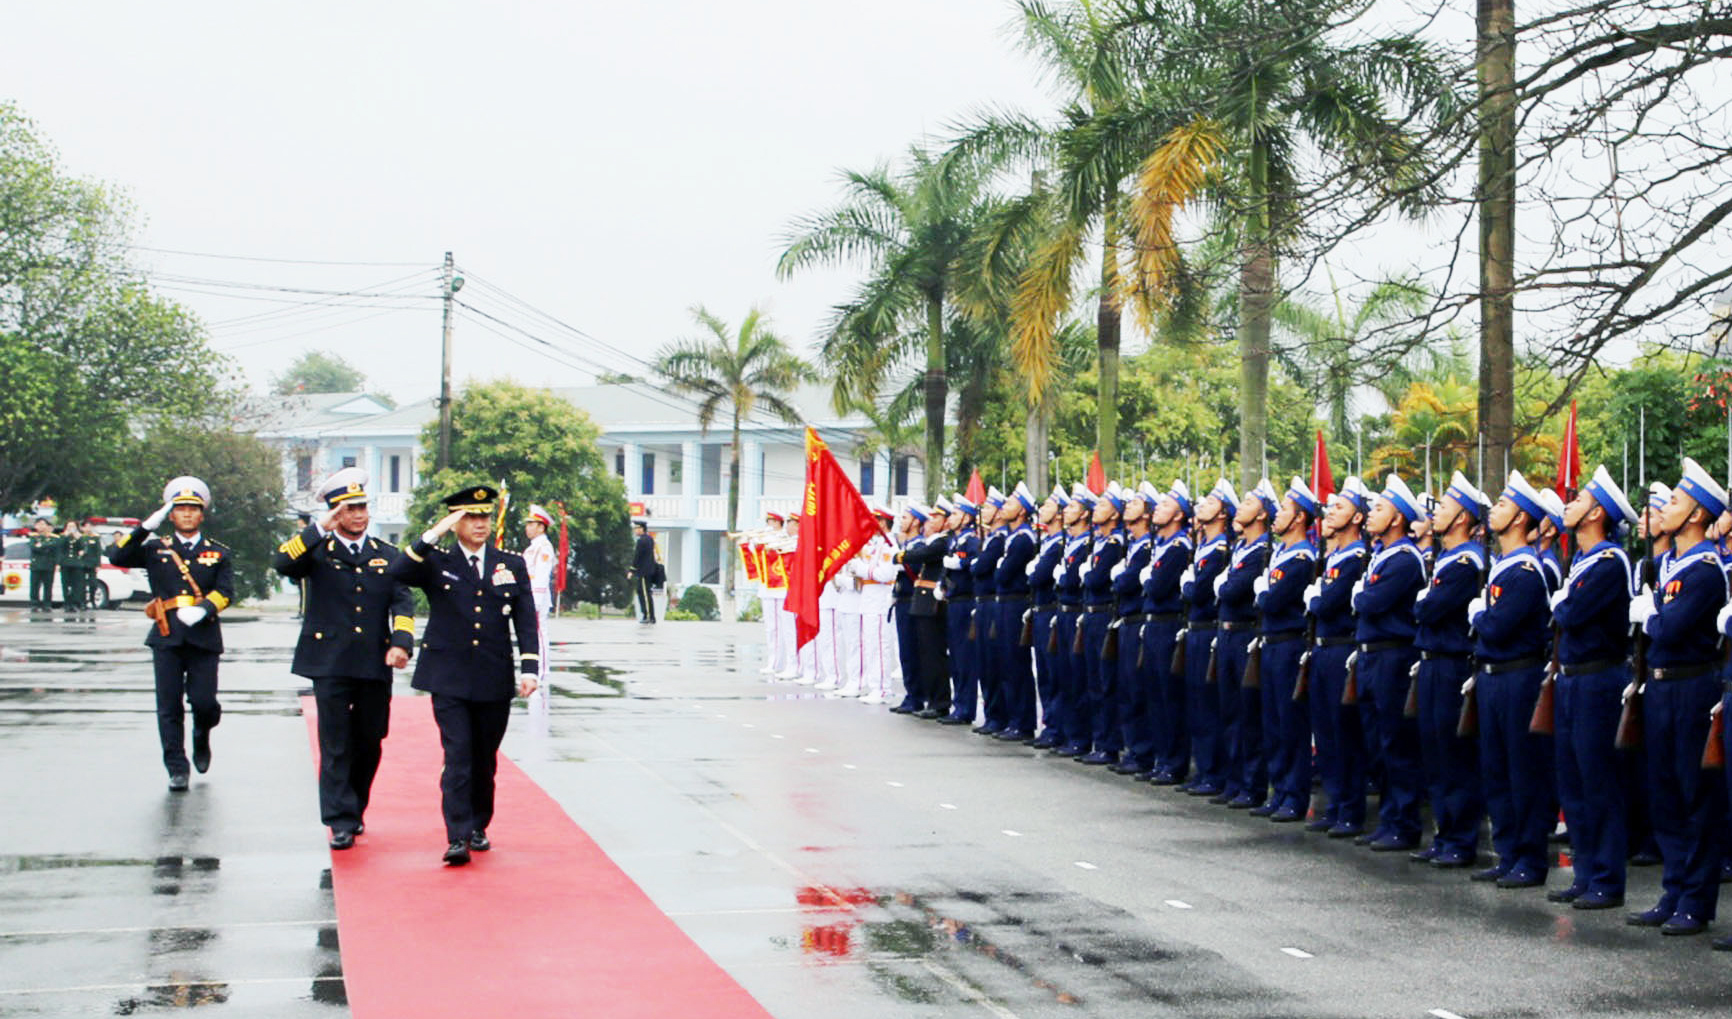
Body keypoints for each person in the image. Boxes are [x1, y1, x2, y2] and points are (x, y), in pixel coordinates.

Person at [390, 485, 540, 866]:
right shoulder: (437, 561)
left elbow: (525, 619)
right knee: (457, 754)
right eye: (470, 517)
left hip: (493, 675)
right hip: (449, 677)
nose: (479, 524)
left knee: (483, 759)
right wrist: (434, 533)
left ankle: (477, 825)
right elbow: (398, 571)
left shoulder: (510, 564)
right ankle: (456, 835)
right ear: (456, 522)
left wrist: (530, 668)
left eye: (484, 516)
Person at [271, 467, 416, 850]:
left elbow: (403, 602)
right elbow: (282, 563)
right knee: (335, 742)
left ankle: (355, 806)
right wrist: (319, 529)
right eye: (349, 509)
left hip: (373, 661)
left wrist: (401, 643)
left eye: (361, 507)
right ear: (335, 513)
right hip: (329, 661)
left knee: (370, 740)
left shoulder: (386, 555)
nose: (357, 515)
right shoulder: (316, 552)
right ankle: (339, 820)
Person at [1628, 459, 1727, 933]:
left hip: (1691, 686)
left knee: (1694, 795)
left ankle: (1696, 901)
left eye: (1674, 502)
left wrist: (1649, 615)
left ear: (1696, 515)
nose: (1664, 508)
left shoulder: (1705, 570)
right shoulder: (1668, 564)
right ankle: (1673, 890)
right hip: (1661, 685)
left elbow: (1669, 628)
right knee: (1664, 791)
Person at [111, 477, 235, 790]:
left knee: (204, 702)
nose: (187, 514)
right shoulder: (155, 548)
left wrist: (203, 609)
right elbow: (117, 557)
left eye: (193, 509)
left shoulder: (218, 552)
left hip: (203, 635)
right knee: (169, 705)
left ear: (202, 514)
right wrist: (144, 528)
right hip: (167, 636)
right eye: (180, 509)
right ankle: (177, 767)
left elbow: (226, 592)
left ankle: (202, 733)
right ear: (171, 515)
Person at [1550, 465, 1637, 909]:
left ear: (1596, 513)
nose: (1570, 504)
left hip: (1598, 679)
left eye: (1580, 499)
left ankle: (1606, 878)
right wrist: (1563, 603)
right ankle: (1585, 872)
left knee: (1599, 781)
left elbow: (1571, 613)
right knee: (1574, 782)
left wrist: (1561, 603)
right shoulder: (1582, 561)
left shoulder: (1608, 561)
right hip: (1572, 679)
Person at [1465, 470, 1557, 888]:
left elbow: (1498, 627)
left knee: (1523, 771)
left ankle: (1529, 858)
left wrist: (1478, 616)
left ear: (1520, 518)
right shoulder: (1503, 566)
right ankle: (1507, 852)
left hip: (1518, 677)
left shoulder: (1525, 570)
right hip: (1493, 676)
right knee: (1496, 769)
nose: (1494, 510)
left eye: (1502, 505)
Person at [1411, 471, 1489, 868]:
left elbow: (1429, 610)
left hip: (1452, 666)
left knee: (1454, 756)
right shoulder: (1445, 559)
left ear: (1462, 519)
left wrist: (1423, 603)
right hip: (1432, 663)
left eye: (1444, 507)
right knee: (1434, 753)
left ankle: (1460, 838)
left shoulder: (1465, 562)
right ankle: (1445, 835)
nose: (1435, 513)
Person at [1350, 474, 1428, 851]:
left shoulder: (1404, 558)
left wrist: (1359, 596)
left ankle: (1404, 822)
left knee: (1396, 742)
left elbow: (1372, 602)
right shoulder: (1382, 555)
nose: (1370, 514)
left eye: (1379, 509)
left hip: (1393, 656)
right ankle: (1388, 818)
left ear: (1397, 518)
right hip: (1373, 654)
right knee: (1377, 742)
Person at [1305, 477, 1372, 837]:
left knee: (1345, 734)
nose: (1331, 511)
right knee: (1326, 733)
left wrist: (1315, 599)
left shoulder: (1356, 559)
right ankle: (1334, 805)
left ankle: (1350, 809)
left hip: (1342, 649)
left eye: (1340, 507)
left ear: (1357, 518)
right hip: (1323, 648)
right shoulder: (1335, 557)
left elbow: (1328, 605)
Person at [1254, 478, 1319, 822]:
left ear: (1299, 519)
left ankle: (1294, 794)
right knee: (1273, 723)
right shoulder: (1280, 553)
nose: (1276, 516)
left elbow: (1273, 601)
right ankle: (1279, 790)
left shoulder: (1302, 558)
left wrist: (1262, 592)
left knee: (1291, 724)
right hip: (1271, 643)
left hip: (1289, 645)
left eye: (1283, 510)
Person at [1216, 479, 1273, 806]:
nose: (1241, 506)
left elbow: (1232, 591)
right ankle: (1235, 780)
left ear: (1262, 514)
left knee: (1248, 714)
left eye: (1249, 502)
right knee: (1230, 712)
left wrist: (1222, 585)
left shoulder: (1262, 552)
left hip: (1245, 635)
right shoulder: (1241, 548)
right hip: (1227, 633)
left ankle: (1252, 785)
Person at [1177, 480, 1235, 796]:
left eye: (1211, 502)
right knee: (1196, 704)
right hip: (1196, 629)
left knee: (1210, 707)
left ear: (1223, 513)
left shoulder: (1221, 550)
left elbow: (1198, 593)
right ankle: (1204, 770)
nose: (1203, 506)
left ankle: (1214, 772)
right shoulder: (1204, 548)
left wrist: (1188, 585)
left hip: (1208, 630)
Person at [1139, 480, 1193, 785]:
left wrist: (1148, 580)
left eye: (1166, 505)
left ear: (1179, 515)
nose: (1157, 509)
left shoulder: (1178, 547)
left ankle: (1174, 762)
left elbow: (1158, 588)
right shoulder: (1162, 545)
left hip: (1168, 623)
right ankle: (1162, 758)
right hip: (1154, 623)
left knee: (1169, 698)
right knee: (1155, 696)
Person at [1076, 483, 1127, 765]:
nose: (1097, 509)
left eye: (1104, 505)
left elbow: (1096, 580)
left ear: (1115, 514)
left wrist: (1087, 574)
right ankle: (1100, 740)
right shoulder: (1099, 542)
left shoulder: (1114, 544)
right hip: (1092, 613)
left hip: (1105, 614)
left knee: (1107, 683)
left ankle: (1109, 744)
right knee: (1093, 681)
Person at [991, 483, 1040, 742]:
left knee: (1016, 664)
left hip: (1015, 603)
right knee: (1005, 664)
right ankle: (1013, 720)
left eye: (1010, 503)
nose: (1004, 506)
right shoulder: (1013, 537)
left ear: (1022, 510)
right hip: (1005, 602)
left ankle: (1023, 722)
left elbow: (1002, 574)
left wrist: (999, 567)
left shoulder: (1023, 539)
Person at [895, 503, 951, 720]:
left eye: (936, 518)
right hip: (923, 603)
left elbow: (922, 554)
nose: (930, 521)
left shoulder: (942, 542)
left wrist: (900, 555)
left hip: (932, 604)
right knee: (925, 655)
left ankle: (939, 702)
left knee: (934, 655)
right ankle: (931, 699)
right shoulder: (935, 541)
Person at [1027, 487, 1070, 749]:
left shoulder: (1059, 544)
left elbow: (1038, 577)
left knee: (1055, 675)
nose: (1042, 509)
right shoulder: (1048, 541)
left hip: (1051, 610)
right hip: (1041, 609)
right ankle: (1050, 725)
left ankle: (1057, 728)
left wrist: (1035, 572)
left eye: (1049, 505)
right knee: (1044, 673)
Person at [522, 505, 558, 716]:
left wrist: (534, 600)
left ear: (541, 527)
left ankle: (543, 672)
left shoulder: (544, 547)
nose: (528, 528)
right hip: (530, 595)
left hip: (538, 597)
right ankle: (539, 670)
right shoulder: (533, 547)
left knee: (540, 635)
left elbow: (542, 576)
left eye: (531, 524)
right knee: (534, 634)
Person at [628, 520, 658, 624]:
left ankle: (648, 616)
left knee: (645, 593)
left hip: (644, 571)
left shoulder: (642, 541)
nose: (635, 530)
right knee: (642, 591)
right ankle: (648, 615)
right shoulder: (649, 539)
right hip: (648, 570)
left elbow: (637, 556)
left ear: (641, 529)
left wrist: (631, 570)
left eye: (636, 528)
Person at [27, 518, 60, 611]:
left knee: (48, 586)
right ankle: (34, 604)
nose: (41, 526)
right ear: (35, 526)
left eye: (43, 524)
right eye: (39, 524)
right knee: (34, 586)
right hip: (36, 565)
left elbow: (55, 548)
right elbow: (33, 548)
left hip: (49, 565)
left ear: (47, 526)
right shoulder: (33, 537)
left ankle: (47, 604)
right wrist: (46, 546)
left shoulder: (54, 538)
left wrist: (41, 545)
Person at [57, 522, 84, 614]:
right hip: (65, 563)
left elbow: (83, 547)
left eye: (73, 526)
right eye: (69, 526)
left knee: (76, 585)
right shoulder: (63, 536)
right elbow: (60, 547)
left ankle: (74, 603)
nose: (71, 528)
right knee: (65, 584)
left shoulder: (79, 536)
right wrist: (66, 535)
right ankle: (67, 603)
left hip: (76, 563)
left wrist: (78, 537)